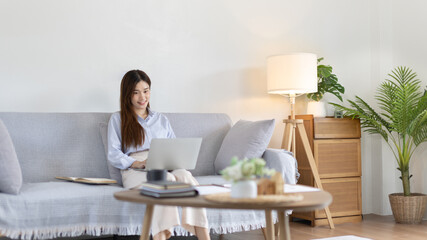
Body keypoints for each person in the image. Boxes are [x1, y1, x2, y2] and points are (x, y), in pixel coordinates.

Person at [107, 70, 210, 240]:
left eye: (146, 91)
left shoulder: (161, 119)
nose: (142, 97)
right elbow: (113, 153)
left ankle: (204, 236)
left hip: (164, 163)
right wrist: (136, 163)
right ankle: (161, 236)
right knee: (165, 181)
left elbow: (173, 146)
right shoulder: (118, 119)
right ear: (127, 94)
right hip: (136, 169)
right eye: (136, 92)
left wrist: (175, 160)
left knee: (186, 177)